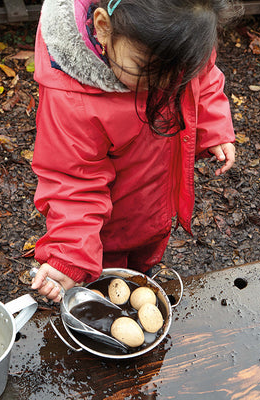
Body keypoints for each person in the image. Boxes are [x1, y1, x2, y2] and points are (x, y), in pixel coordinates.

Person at [30, 0, 241, 302]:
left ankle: (143, 269)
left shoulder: (181, 38)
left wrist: (214, 127)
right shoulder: (71, 98)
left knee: (144, 266)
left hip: (154, 209)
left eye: (181, 72)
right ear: (103, 28)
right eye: (148, 70)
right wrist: (70, 255)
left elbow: (204, 78)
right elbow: (72, 183)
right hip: (103, 232)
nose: (168, 85)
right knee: (107, 291)